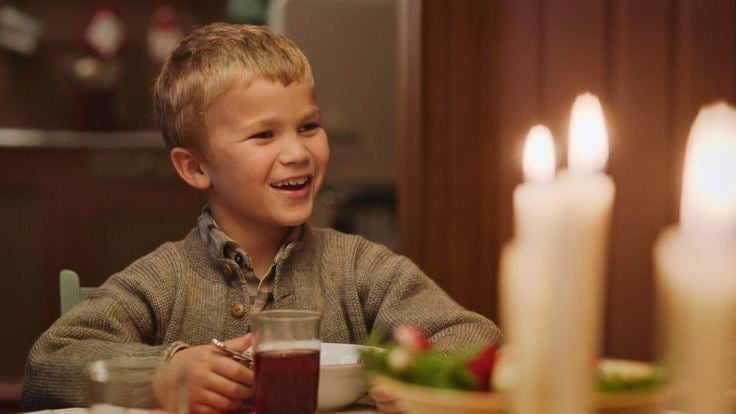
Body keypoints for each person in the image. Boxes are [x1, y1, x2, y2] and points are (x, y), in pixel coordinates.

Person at [22, 22, 502, 413]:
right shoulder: (163, 279)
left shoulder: (359, 268)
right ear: (195, 167)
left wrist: (410, 379)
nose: (298, 151)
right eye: (263, 135)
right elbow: (50, 362)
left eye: (309, 126)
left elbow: (474, 339)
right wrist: (165, 374)